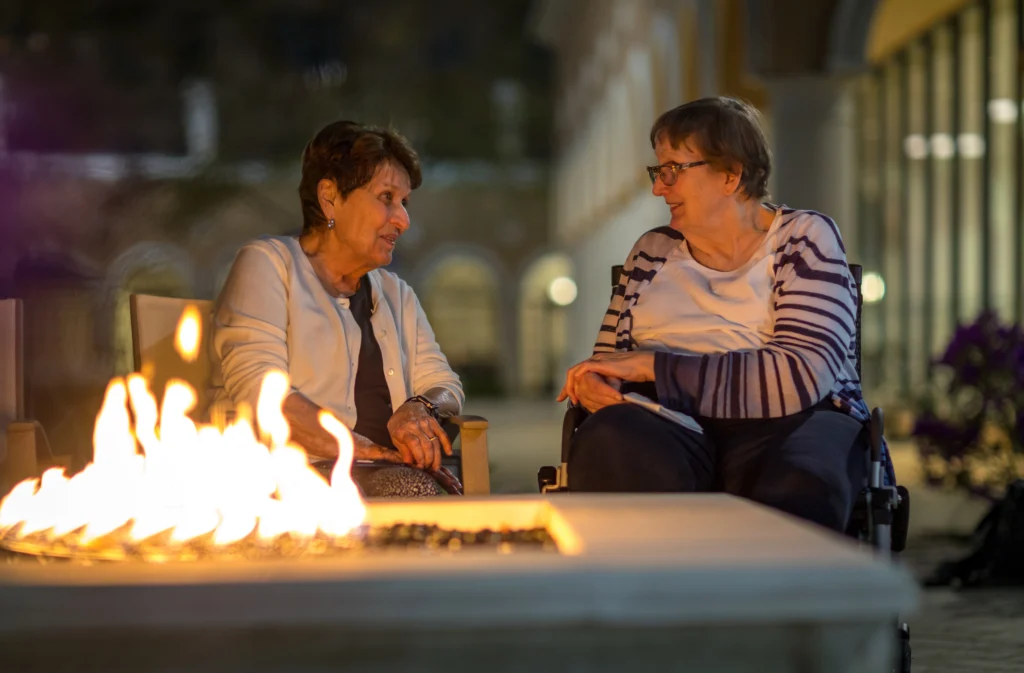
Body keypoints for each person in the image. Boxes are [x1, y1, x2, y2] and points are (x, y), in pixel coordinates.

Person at [558, 97, 893, 532]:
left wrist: (653, 367)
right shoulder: (652, 251)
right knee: (612, 445)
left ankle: (763, 595)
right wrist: (593, 383)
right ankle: (655, 593)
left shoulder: (804, 239)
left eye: (673, 169)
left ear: (731, 175)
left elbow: (800, 376)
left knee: (798, 482)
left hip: (790, 420)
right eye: (657, 172)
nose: (659, 188)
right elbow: (607, 361)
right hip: (665, 424)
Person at [212, 121, 463, 497]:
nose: (403, 220)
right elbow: (260, 389)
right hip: (293, 476)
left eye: (405, 203)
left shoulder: (397, 294)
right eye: (387, 198)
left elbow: (446, 385)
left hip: (388, 474)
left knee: (429, 501)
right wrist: (358, 448)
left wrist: (421, 407)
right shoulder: (268, 265)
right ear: (330, 197)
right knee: (423, 500)